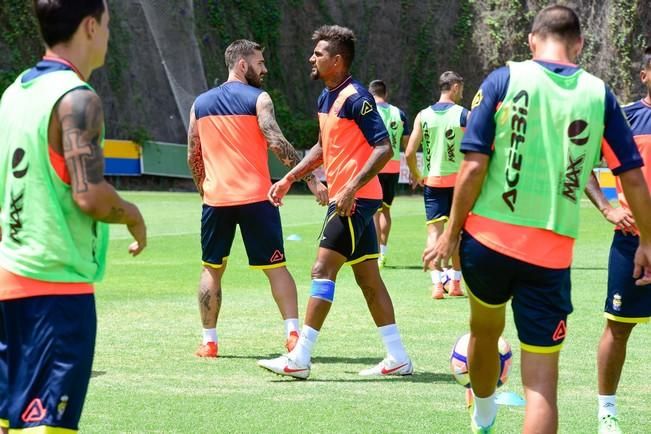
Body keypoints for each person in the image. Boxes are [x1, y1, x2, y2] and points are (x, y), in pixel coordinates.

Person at [423, 5, 651, 433]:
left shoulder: (503, 79)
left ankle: (485, 417)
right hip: (548, 256)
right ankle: (488, 415)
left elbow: (472, 167)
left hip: (486, 243)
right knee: (542, 386)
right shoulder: (597, 94)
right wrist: (648, 242)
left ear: (532, 41)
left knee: (485, 332)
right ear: (579, 45)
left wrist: (449, 233)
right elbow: (633, 180)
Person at [0, 1, 147, 432]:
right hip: (55, 288)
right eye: (107, 25)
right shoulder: (77, 98)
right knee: (48, 426)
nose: (108, 34)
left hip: (9, 279)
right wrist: (134, 215)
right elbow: (90, 195)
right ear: (89, 26)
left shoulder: (13, 94)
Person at [258, 25, 412, 379]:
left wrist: (351, 188)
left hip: (353, 202)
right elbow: (322, 148)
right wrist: (289, 178)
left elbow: (384, 147)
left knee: (321, 270)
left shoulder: (357, 98)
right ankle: (397, 356)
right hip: (351, 199)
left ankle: (300, 357)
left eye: (319, 54)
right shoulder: (326, 98)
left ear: (338, 61)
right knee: (369, 280)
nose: (312, 58)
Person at [187, 39, 327, 358]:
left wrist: (203, 190)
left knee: (211, 269)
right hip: (255, 197)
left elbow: (193, 154)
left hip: (216, 200)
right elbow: (276, 141)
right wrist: (309, 179)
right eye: (260, 63)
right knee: (276, 267)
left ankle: (209, 341)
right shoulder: (259, 98)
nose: (264, 69)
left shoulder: (200, 103)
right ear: (242, 65)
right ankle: (292, 335)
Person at [584, 46, 651, 434]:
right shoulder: (624, 118)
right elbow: (577, 162)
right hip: (631, 242)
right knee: (619, 326)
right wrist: (608, 208)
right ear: (643, 75)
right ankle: (606, 412)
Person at [405, 71, 468, 299]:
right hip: (459, 183)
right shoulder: (464, 115)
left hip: (432, 182)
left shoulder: (423, 115)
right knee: (457, 233)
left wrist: (417, 174)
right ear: (453, 86)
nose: (462, 91)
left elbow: (410, 151)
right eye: (460, 87)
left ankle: (437, 285)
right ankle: (456, 284)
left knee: (434, 232)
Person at [367, 79, 410, 268]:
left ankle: (375, 254)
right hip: (393, 168)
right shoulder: (398, 114)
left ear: (370, 93)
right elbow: (407, 145)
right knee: (385, 210)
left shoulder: (368, 111)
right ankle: (383, 252)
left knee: (374, 213)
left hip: (374, 166)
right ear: (386, 93)